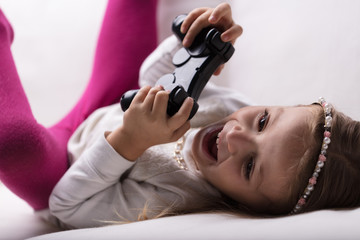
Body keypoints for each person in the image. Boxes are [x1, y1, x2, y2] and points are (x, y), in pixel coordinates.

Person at [1, 1, 359, 230]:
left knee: (13, 143)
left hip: (64, 161)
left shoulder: (172, 198)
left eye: (250, 167)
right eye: (263, 122)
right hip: (115, 103)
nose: (235, 136)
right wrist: (193, 41)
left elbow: (65, 206)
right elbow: (151, 81)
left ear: (248, 207)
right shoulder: (231, 108)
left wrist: (130, 141)